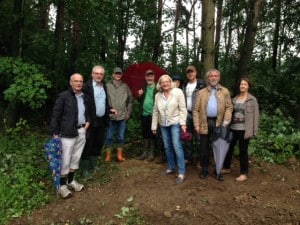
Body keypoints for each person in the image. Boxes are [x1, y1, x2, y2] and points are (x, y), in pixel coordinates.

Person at [49, 73, 90, 198]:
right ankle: (62, 186)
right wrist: (55, 132)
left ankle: (71, 181)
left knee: (76, 157)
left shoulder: (84, 96)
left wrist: (88, 121)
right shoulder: (64, 96)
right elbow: (56, 115)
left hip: (82, 131)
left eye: (80, 81)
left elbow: (88, 110)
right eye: (76, 81)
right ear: (70, 82)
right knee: (65, 159)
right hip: (67, 133)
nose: (78, 83)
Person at [193, 69, 233, 181]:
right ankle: (204, 169)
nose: (214, 78)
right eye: (211, 76)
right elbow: (196, 110)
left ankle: (218, 171)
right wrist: (196, 124)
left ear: (219, 78)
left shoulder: (225, 91)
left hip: (219, 123)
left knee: (219, 148)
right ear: (208, 78)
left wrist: (226, 122)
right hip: (204, 123)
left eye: (216, 76)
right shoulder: (201, 93)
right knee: (203, 149)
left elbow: (229, 107)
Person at [151, 74, 187, 184]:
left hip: (175, 122)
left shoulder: (177, 92)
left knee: (177, 146)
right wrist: (154, 126)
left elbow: (183, 109)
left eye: (167, 81)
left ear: (170, 82)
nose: (165, 84)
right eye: (163, 82)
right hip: (163, 124)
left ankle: (181, 172)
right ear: (160, 84)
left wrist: (183, 123)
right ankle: (171, 167)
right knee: (167, 146)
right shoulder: (158, 95)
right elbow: (155, 111)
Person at [222, 77, 259, 182]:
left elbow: (256, 116)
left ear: (248, 86)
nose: (242, 86)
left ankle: (243, 173)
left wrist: (254, 131)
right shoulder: (234, 99)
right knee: (228, 149)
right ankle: (226, 168)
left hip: (245, 130)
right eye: (241, 84)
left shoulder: (252, 100)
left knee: (243, 151)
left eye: (245, 84)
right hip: (233, 128)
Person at [81, 66, 113, 177]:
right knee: (88, 144)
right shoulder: (86, 87)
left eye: (101, 74)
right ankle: (85, 170)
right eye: (96, 73)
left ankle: (93, 166)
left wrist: (110, 109)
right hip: (90, 121)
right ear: (92, 74)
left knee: (98, 143)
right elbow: (83, 104)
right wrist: (87, 119)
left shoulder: (103, 86)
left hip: (101, 121)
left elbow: (104, 102)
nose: (99, 75)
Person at [104, 67, 133, 162]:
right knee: (109, 136)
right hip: (110, 116)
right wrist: (107, 111)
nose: (118, 75)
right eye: (116, 73)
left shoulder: (125, 86)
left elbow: (130, 100)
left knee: (121, 136)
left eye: (119, 73)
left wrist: (128, 113)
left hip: (122, 116)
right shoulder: (107, 86)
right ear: (113, 74)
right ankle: (108, 155)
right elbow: (103, 100)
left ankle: (119, 155)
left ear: (121, 75)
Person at [182, 65, 206, 165]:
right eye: (188, 72)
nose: (190, 74)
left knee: (199, 138)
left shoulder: (202, 84)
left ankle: (200, 159)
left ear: (196, 73)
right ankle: (189, 157)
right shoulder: (184, 84)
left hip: (199, 115)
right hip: (187, 114)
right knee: (187, 138)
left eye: (192, 72)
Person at [137, 69, 157, 161]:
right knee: (145, 133)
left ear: (154, 77)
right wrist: (139, 95)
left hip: (154, 114)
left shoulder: (158, 87)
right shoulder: (143, 87)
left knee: (153, 133)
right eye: (148, 76)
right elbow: (139, 100)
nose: (150, 78)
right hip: (144, 114)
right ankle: (145, 152)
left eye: (151, 76)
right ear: (145, 77)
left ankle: (152, 153)